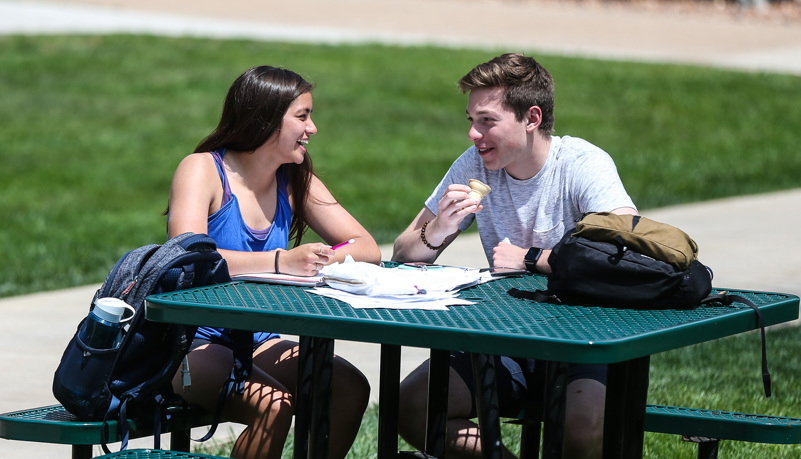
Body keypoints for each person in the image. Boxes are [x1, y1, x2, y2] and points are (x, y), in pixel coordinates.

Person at [392, 53, 638, 459]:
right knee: (412, 406)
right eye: (471, 120)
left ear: (532, 118)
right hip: (506, 338)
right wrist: (437, 231)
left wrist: (530, 259)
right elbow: (404, 253)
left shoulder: (582, 164)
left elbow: (622, 250)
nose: (473, 133)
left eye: (487, 121)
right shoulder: (475, 164)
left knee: (582, 431)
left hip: (586, 339)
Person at [166, 65, 382, 459]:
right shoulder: (202, 170)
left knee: (348, 387)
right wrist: (282, 260)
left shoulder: (294, 178)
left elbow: (367, 246)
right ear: (264, 119)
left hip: (258, 340)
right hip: (191, 343)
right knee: (273, 403)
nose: (312, 128)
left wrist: (320, 258)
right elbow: (187, 256)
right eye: (302, 116)